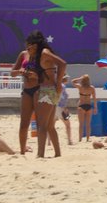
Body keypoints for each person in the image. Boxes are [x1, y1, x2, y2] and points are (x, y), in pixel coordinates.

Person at [27, 30, 67, 158]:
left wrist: (59, 83)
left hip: (47, 91)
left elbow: (62, 63)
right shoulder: (42, 54)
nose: (27, 48)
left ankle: (40, 154)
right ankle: (57, 153)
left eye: (29, 45)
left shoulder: (44, 52)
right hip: (50, 90)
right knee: (50, 126)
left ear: (35, 44)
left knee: (42, 125)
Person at [11, 39, 41, 154]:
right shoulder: (23, 54)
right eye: (27, 46)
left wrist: (36, 76)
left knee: (40, 123)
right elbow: (12, 73)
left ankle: (40, 150)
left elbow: (47, 74)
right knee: (24, 123)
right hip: (27, 89)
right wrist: (20, 71)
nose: (28, 48)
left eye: (31, 46)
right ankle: (22, 150)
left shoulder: (41, 55)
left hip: (38, 88)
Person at [72, 74, 97, 142]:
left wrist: (80, 78)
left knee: (81, 124)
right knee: (88, 124)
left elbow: (73, 81)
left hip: (81, 106)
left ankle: (80, 139)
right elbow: (94, 98)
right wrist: (95, 107)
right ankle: (87, 139)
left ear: (82, 80)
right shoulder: (92, 88)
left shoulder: (80, 87)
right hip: (89, 106)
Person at [56, 74, 74, 146]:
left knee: (51, 125)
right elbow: (62, 98)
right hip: (61, 107)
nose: (67, 79)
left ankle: (48, 142)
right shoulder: (63, 86)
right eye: (66, 78)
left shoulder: (57, 85)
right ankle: (69, 140)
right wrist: (64, 108)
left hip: (54, 107)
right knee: (68, 124)